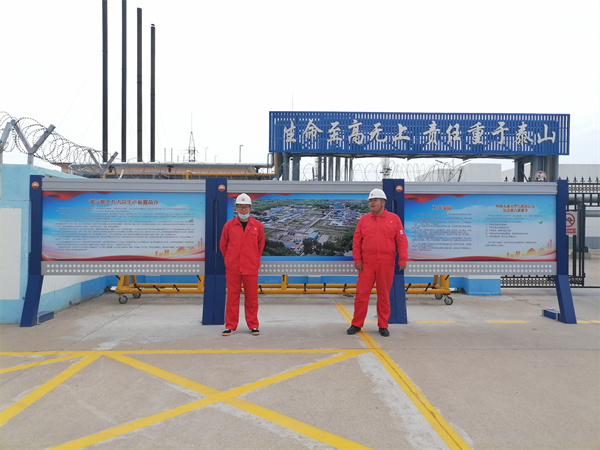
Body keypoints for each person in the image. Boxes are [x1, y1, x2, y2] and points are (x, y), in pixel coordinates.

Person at [347, 188, 408, 337]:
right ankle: (356, 324)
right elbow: (356, 241)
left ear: (383, 203)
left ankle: (383, 325)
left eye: (374, 200)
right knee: (361, 295)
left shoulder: (394, 219)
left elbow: (401, 240)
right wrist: (357, 259)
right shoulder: (364, 220)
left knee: (384, 296)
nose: (371, 203)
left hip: (386, 264)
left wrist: (402, 259)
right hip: (366, 264)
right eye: (370, 201)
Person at [219, 193, 265, 336]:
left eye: (245, 207)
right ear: (236, 208)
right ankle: (230, 326)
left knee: (252, 297)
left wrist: (253, 259)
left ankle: (253, 325)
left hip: (251, 268)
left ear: (250, 208)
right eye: (240, 207)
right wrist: (229, 260)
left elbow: (260, 245)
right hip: (233, 268)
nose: (243, 210)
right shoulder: (229, 225)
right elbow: (223, 245)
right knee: (232, 297)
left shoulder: (257, 226)